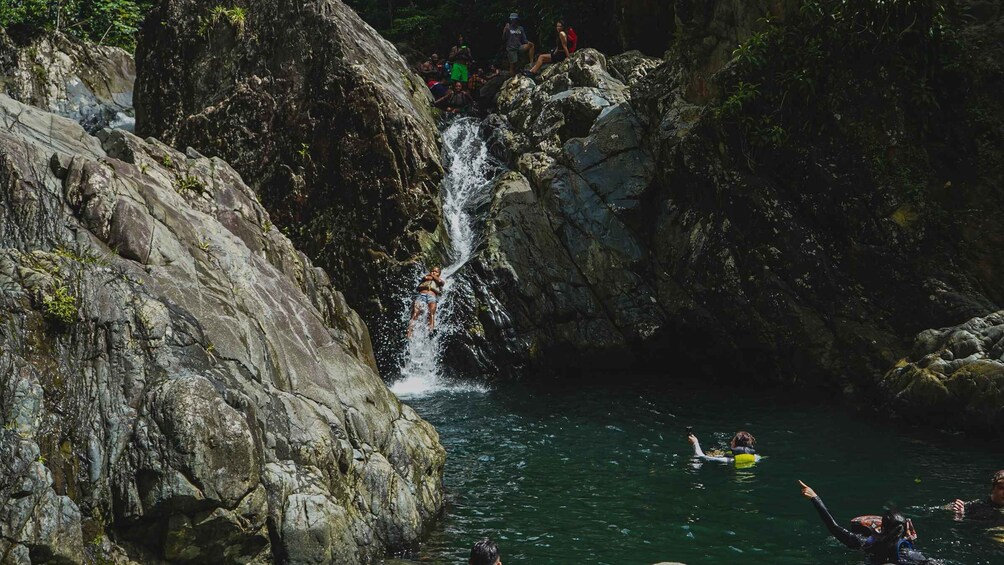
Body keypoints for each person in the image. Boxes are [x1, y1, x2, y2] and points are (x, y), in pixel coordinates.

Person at [799, 480, 943, 564]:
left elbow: (834, 527)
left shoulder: (865, 544)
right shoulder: (908, 553)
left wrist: (815, 497)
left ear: (881, 527)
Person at [688, 430, 761, 469]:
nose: (731, 442)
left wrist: (695, 443)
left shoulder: (727, 460)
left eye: (733, 441)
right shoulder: (756, 458)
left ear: (735, 445)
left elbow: (700, 456)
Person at [407, 266, 445, 337]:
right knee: (415, 313)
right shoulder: (425, 277)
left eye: (436, 272)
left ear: (439, 274)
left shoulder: (440, 280)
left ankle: (430, 331)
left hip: (432, 296)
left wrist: (432, 276)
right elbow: (425, 278)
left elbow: (440, 282)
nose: (433, 272)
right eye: (432, 271)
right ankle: (409, 332)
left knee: (431, 313)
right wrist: (432, 276)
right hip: (421, 295)